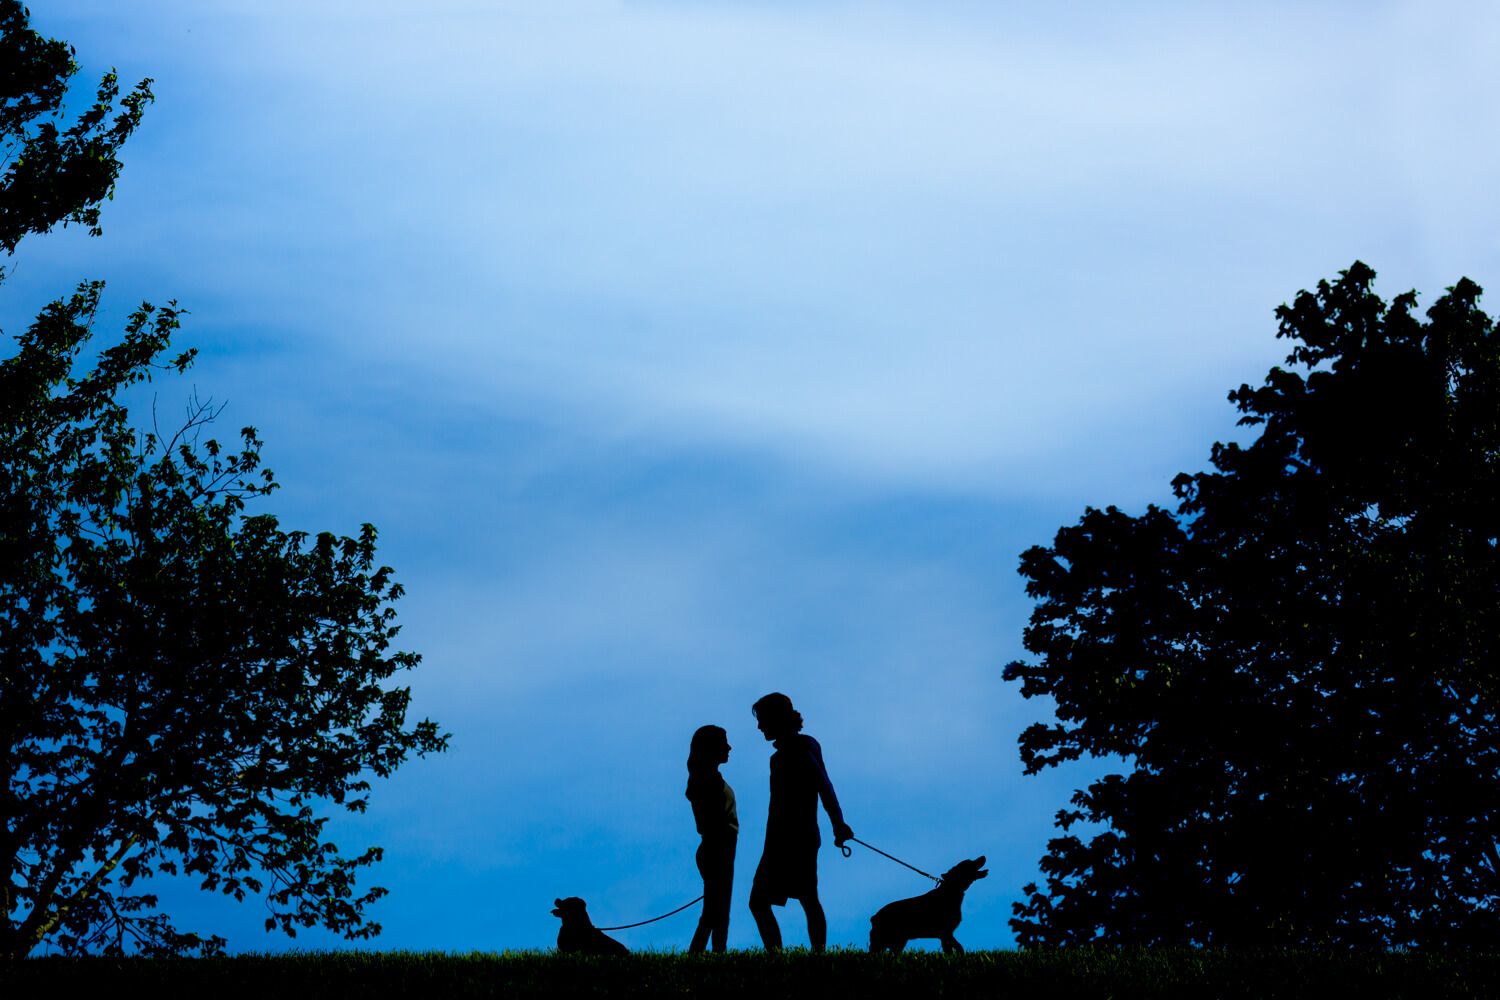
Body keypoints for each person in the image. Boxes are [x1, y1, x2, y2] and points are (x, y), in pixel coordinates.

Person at [747, 692, 853, 953]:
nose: (759, 726)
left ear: (777, 718)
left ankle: (800, 956)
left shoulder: (801, 746)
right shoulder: (785, 753)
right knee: (782, 899)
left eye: (762, 720)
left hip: (795, 838)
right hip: (782, 839)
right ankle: (797, 956)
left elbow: (824, 786)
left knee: (781, 899)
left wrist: (838, 823)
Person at [686, 724, 738, 953]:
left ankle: (710, 952)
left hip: (719, 846)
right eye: (723, 743)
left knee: (714, 910)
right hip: (718, 846)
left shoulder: (707, 779)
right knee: (717, 910)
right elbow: (714, 822)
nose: (729, 747)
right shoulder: (707, 782)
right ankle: (716, 952)